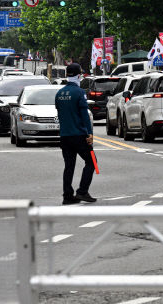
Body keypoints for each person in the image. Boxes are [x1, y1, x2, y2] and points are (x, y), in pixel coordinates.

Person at [55, 63, 97, 205]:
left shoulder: (59, 93)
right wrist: (90, 134)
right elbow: (85, 115)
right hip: (79, 135)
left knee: (69, 166)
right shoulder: (79, 92)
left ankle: (67, 195)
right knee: (92, 162)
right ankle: (82, 191)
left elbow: (60, 113)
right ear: (79, 75)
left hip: (64, 136)